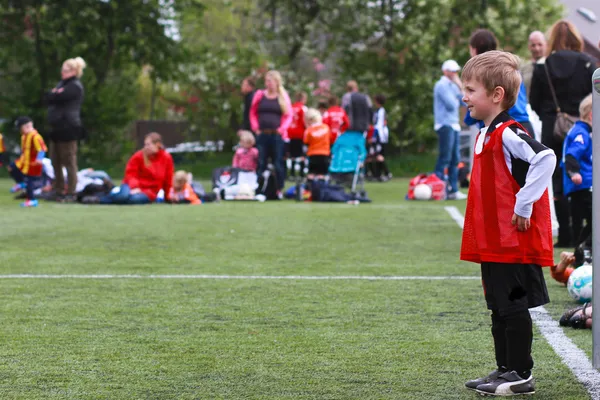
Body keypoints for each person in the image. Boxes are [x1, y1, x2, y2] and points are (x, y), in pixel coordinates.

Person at [460, 51, 556, 396]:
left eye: (471, 90)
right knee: (498, 308)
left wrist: (524, 203)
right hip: (492, 243)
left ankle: (521, 373)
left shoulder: (509, 132)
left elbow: (546, 157)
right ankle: (504, 369)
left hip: (512, 245)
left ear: (496, 95)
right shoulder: (484, 134)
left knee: (513, 306)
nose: (465, 97)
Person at [530, 20, 596, 248]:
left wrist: (552, 117)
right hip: (583, 127)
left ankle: (565, 234)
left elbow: (535, 102)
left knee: (558, 179)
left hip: (552, 127)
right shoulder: (588, 63)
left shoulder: (543, 65)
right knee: (583, 173)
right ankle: (582, 235)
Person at [465, 29, 534, 135]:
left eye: (471, 90)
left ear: (474, 50)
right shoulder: (509, 68)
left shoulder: (483, 75)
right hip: (524, 125)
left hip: (503, 128)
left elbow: (469, 118)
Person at [45, 57, 86, 203]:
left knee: (69, 161)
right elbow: (49, 97)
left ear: (74, 71)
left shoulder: (74, 86)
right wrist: (55, 93)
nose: (63, 72)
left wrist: (55, 93)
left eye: (66, 70)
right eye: (62, 69)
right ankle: (58, 189)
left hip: (68, 127)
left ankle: (71, 192)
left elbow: (58, 97)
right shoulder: (62, 84)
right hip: (56, 128)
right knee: (55, 160)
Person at [249, 70, 293, 197]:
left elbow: (288, 115)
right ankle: (258, 187)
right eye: (266, 81)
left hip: (277, 135)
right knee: (261, 161)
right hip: (262, 133)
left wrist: (282, 128)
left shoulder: (282, 96)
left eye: (270, 81)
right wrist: (255, 127)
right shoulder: (260, 95)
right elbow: (253, 112)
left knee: (278, 162)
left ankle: (278, 188)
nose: (268, 83)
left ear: (276, 82)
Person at [100, 132, 174, 205]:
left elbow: (168, 180)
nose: (146, 147)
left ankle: (109, 196)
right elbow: (130, 174)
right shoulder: (139, 156)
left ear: (157, 144)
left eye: (148, 145)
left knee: (134, 199)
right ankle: (99, 199)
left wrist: (167, 197)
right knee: (123, 196)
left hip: (150, 192)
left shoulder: (166, 158)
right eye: (145, 145)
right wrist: (135, 187)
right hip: (131, 185)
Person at [433, 60, 467, 200]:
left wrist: (460, 87)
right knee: (445, 157)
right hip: (445, 124)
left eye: (456, 71)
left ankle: (453, 190)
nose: (455, 74)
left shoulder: (453, 86)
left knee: (455, 159)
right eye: (452, 71)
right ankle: (438, 187)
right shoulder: (441, 85)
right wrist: (458, 90)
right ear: (445, 71)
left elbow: (465, 101)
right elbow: (452, 105)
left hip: (453, 125)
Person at [562, 94, 592, 245]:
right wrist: (574, 173)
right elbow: (571, 155)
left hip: (580, 186)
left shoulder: (579, 130)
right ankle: (582, 252)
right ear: (592, 115)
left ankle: (581, 252)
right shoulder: (582, 133)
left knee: (582, 223)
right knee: (594, 222)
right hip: (583, 186)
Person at [8, 117, 48, 207]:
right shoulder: (24, 137)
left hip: (32, 164)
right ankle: (20, 183)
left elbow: (42, 149)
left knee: (29, 182)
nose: (19, 131)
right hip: (24, 162)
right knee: (12, 167)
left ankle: (32, 200)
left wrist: (39, 159)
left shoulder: (35, 136)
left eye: (20, 128)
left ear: (26, 126)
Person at [303, 108, 331, 180]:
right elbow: (330, 138)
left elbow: (306, 141)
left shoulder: (309, 130)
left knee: (311, 173)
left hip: (313, 154)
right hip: (324, 154)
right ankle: (322, 187)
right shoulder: (326, 127)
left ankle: (309, 188)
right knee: (322, 174)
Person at [287, 92, 307, 179]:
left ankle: (292, 174)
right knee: (302, 155)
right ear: (303, 99)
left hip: (290, 134)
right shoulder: (303, 108)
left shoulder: (291, 107)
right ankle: (301, 174)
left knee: (292, 155)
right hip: (301, 134)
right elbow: (306, 121)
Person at [520, 31, 547, 98]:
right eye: (533, 45)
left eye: (540, 44)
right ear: (529, 47)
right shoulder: (523, 69)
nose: (537, 48)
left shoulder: (552, 66)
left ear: (546, 45)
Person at [372, 94, 391, 181]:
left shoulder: (381, 111)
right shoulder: (377, 111)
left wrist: (374, 135)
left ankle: (387, 173)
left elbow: (379, 125)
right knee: (376, 155)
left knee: (379, 155)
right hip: (378, 134)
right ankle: (378, 175)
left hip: (380, 136)